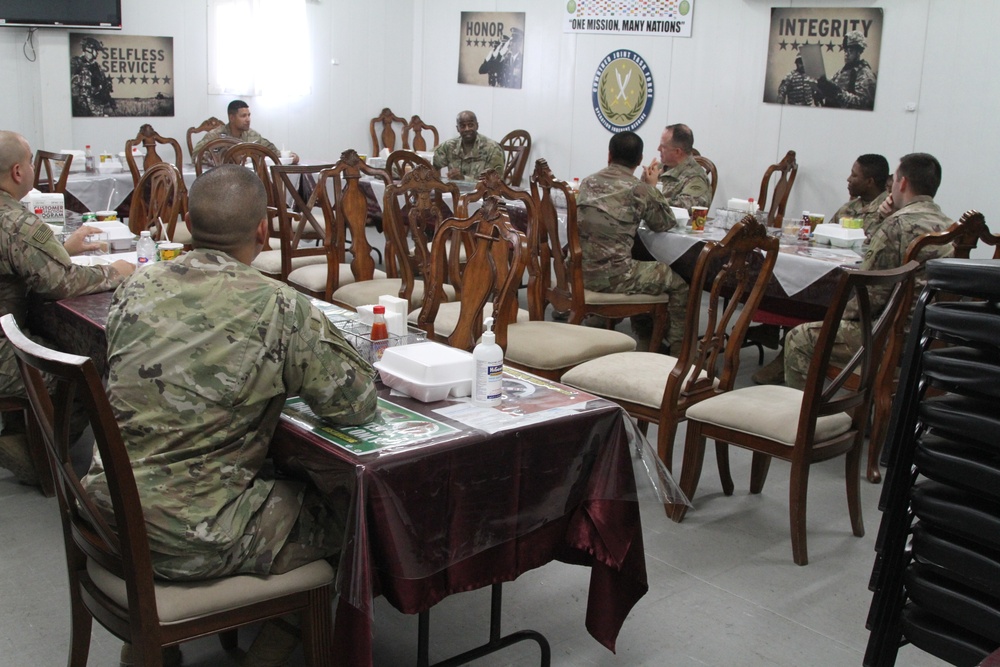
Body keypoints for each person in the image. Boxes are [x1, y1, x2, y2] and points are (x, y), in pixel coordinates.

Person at [81, 165, 377, 665]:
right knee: (356, 517)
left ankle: (151, 649)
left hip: (106, 509)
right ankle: (274, 646)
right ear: (263, 231)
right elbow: (354, 404)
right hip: (191, 534)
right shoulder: (278, 305)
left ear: (189, 223)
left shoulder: (138, 287)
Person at [0, 130, 134, 485]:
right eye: (30, 161)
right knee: (78, 377)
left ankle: (19, 429)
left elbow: (22, 262)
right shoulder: (14, 221)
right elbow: (61, 283)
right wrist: (115, 272)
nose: (32, 168)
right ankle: (36, 454)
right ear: (18, 172)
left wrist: (63, 252)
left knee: (47, 334)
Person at [783, 153, 953, 389]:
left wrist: (833, 315)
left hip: (894, 337)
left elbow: (870, 295)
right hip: (933, 334)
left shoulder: (896, 225)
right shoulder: (949, 226)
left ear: (901, 183)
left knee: (799, 338)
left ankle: (804, 420)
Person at [576, 131, 689, 352]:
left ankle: (645, 336)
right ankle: (678, 351)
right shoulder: (640, 189)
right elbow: (664, 223)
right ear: (639, 160)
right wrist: (652, 188)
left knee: (642, 262)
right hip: (616, 276)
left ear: (609, 155)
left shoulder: (588, 182)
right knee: (679, 284)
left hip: (580, 272)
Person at [193, 99, 299, 163]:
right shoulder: (216, 136)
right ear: (232, 118)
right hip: (222, 181)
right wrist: (224, 159)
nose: (248, 119)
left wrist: (290, 156)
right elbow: (196, 155)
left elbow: (271, 151)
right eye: (243, 116)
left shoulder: (253, 136)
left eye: (249, 115)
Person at [641, 123, 712, 213]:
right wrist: (643, 181)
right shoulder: (658, 168)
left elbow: (681, 210)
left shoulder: (695, 178)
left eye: (663, 147)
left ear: (677, 151)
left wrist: (651, 190)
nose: (658, 149)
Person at [432, 110, 504, 181]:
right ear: (458, 129)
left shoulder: (492, 148)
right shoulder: (450, 146)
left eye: (470, 125)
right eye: (462, 126)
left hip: (483, 192)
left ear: (477, 126)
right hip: (454, 191)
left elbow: (495, 183)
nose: (467, 129)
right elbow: (427, 162)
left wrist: (464, 179)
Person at [831, 153, 890, 235]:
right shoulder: (848, 208)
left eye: (854, 175)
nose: (848, 179)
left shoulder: (889, 211)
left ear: (869, 182)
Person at [817, 31, 877, 110]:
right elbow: (832, 87)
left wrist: (838, 93)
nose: (846, 54)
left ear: (859, 52)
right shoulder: (842, 71)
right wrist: (821, 91)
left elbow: (864, 104)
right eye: (845, 50)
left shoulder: (865, 74)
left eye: (851, 51)